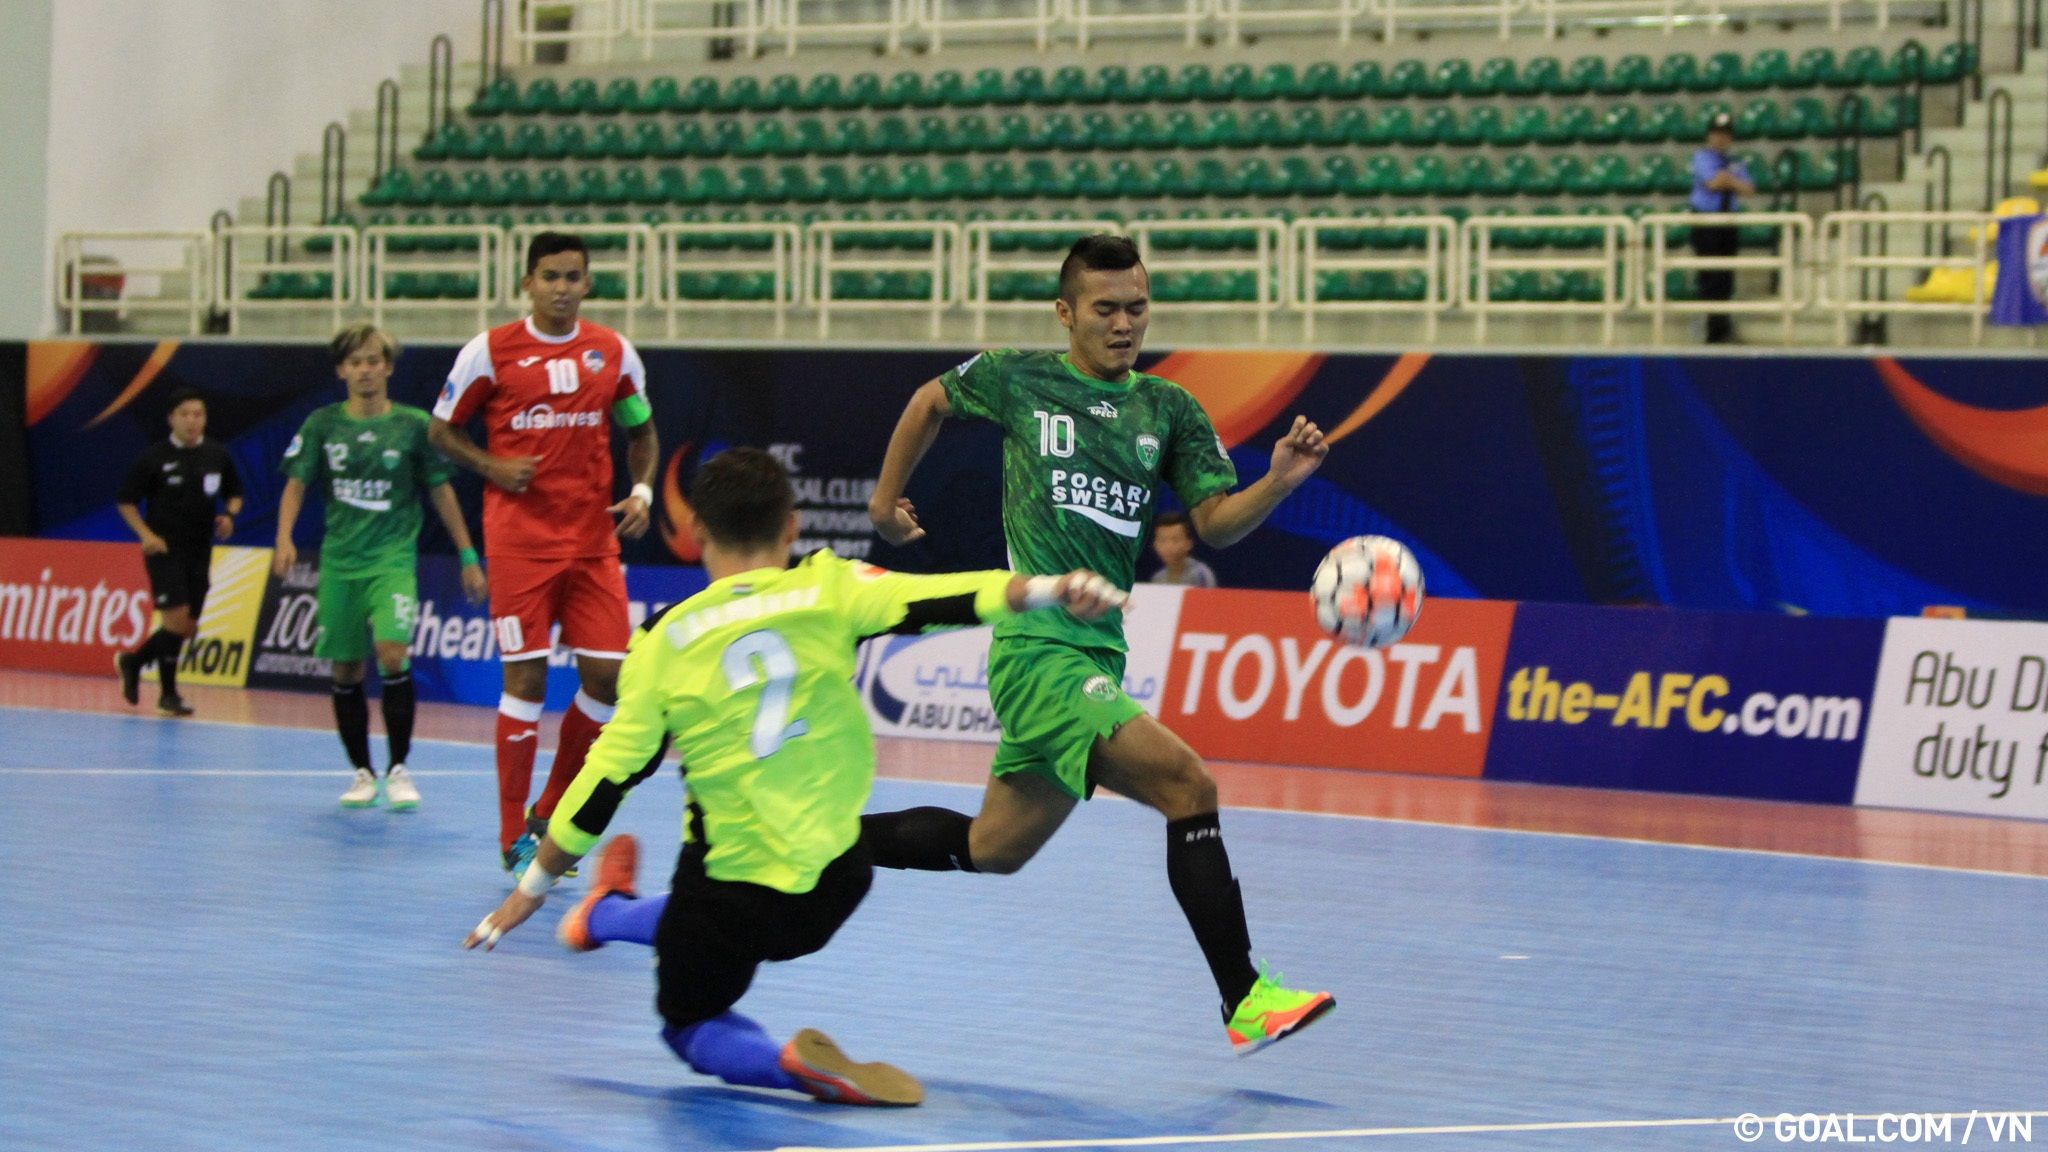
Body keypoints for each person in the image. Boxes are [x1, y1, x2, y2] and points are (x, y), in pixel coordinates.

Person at [464, 447, 1123, 1105]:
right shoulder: (830, 587)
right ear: (792, 527)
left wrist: (533, 885)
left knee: (690, 1023)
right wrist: (1050, 590)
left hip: (729, 895)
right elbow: (945, 596)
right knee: (700, 918)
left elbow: (608, 777)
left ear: (696, 531)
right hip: (836, 883)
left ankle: (789, 1067)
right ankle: (602, 914)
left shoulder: (663, 640)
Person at [862, 234, 1334, 1055]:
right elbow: (927, 401)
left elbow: (1218, 523)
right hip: (1036, 651)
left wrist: (1278, 481)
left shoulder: (1171, 409)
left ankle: (822, 840)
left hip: (1098, 652)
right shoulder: (1020, 378)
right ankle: (1245, 997)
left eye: (1137, 308)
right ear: (1065, 312)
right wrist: (883, 502)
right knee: (1187, 784)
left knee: (993, 847)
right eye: (1106, 308)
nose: (1124, 324)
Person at [429, 231, 659, 874]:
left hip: (591, 545)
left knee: (608, 681)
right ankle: (513, 835)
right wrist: (490, 465)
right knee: (525, 681)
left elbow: (642, 432)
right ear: (527, 282)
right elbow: (441, 430)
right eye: (550, 276)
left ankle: (550, 808)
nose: (562, 288)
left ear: (588, 284)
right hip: (520, 545)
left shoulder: (613, 353)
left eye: (573, 277)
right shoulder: (489, 352)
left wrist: (643, 490)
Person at [275, 325, 488, 811]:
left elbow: (440, 490)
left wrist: (467, 556)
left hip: (392, 560)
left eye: (374, 361)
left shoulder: (413, 425)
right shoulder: (322, 424)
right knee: (346, 667)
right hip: (340, 562)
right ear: (341, 370)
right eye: (356, 362)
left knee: (392, 651)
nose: (366, 370)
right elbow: (295, 485)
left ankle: (398, 769)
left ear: (388, 367)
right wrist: (283, 538)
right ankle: (362, 773)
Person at [113, 387, 244, 717]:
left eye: (198, 414)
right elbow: (126, 502)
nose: (191, 421)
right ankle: (168, 695)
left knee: (187, 626)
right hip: (165, 549)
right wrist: (146, 535)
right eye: (185, 414)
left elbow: (235, 492)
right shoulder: (154, 458)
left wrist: (229, 516)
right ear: (171, 418)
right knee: (176, 617)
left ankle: (134, 661)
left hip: (200, 550)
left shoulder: (217, 454)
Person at [1689, 112, 1755, 345]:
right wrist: (1731, 181)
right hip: (1706, 223)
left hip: (1728, 223)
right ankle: (1711, 329)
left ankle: (1723, 327)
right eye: (1716, 134)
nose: (1720, 138)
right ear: (1709, 136)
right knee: (1710, 276)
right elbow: (1713, 183)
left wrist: (1728, 179)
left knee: (1726, 276)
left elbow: (1749, 189)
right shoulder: (1701, 158)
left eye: (1725, 134)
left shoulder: (1735, 162)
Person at [1144, 509, 1217, 588]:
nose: (1168, 546)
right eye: (1162, 540)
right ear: (1155, 544)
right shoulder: (1158, 579)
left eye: (1175, 540)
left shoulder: (1200, 575)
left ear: (1189, 543)